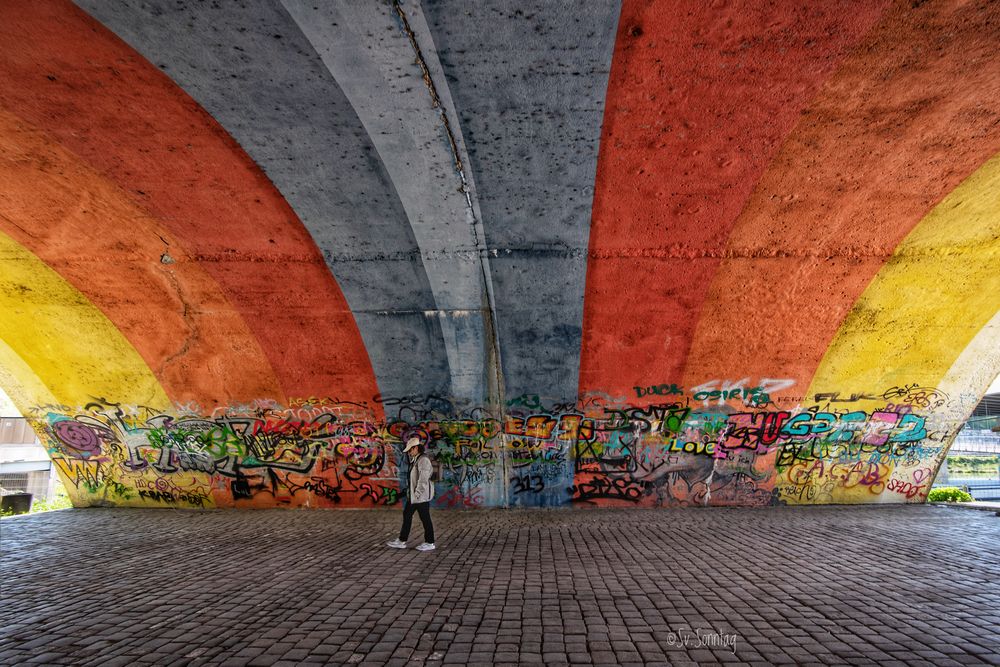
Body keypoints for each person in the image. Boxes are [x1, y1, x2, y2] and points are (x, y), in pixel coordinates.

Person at [386, 436, 435, 551]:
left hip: (420, 497)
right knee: (407, 515)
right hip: (414, 496)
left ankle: (430, 542)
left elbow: (423, 480)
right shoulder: (416, 459)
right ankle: (402, 541)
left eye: (410, 450)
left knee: (425, 518)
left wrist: (417, 494)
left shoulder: (423, 460)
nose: (408, 452)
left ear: (416, 448)